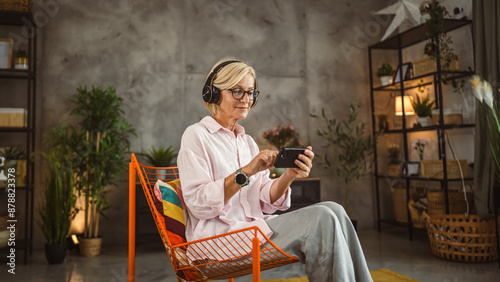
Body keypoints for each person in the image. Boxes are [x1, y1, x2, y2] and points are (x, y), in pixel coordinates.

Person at [177, 58, 372, 282]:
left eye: (251, 92)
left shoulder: (246, 141)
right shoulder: (196, 136)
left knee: (335, 209)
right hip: (216, 243)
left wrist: (289, 175)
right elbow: (198, 204)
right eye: (238, 91)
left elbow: (265, 198)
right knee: (322, 217)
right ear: (213, 93)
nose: (246, 100)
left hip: (253, 232)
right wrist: (246, 172)